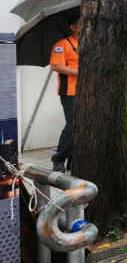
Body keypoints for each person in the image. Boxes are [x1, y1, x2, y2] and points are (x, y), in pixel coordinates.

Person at [49, 12, 80, 173]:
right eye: (82, 23)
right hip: (69, 91)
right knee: (72, 125)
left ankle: (73, 159)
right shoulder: (62, 44)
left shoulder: (88, 43)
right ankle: (58, 159)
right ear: (73, 27)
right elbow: (56, 66)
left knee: (82, 126)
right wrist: (79, 71)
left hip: (86, 92)